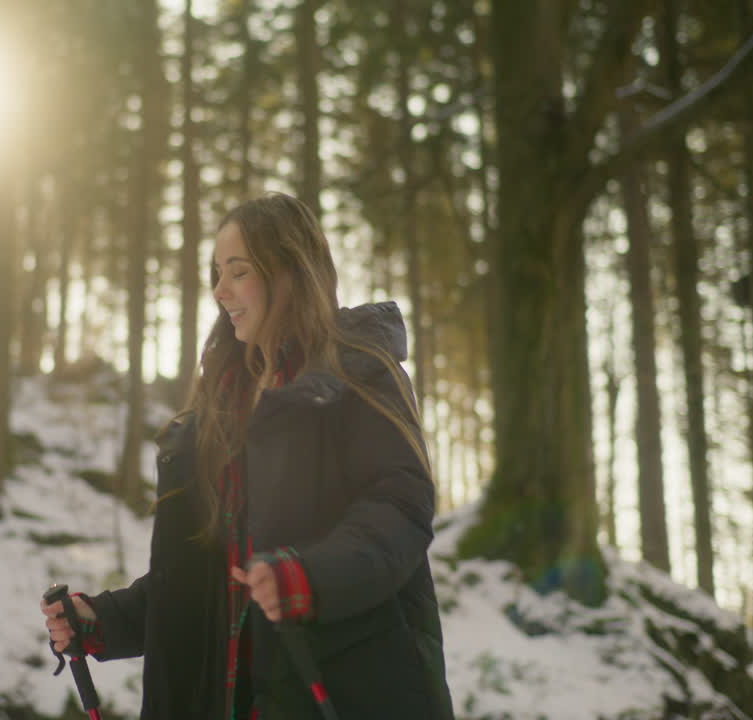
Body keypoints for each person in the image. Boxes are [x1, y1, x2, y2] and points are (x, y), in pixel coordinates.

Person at [41, 192, 452, 719]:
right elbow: (204, 576)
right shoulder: (218, 409)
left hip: (342, 691)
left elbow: (399, 508)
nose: (220, 290)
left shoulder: (359, 374)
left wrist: (310, 578)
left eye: (238, 272)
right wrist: (101, 620)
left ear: (291, 272)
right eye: (216, 272)